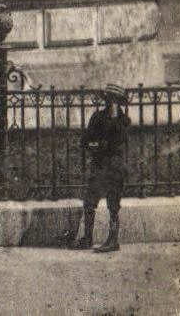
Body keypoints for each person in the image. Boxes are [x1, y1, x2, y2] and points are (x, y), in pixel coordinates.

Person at [72, 87, 131, 252]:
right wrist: (97, 145)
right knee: (89, 201)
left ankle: (113, 240)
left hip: (114, 166)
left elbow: (115, 142)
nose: (110, 103)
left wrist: (100, 143)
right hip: (98, 164)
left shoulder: (124, 121)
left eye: (114, 100)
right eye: (108, 99)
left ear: (119, 102)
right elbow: (85, 140)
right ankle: (87, 238)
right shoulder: (97, 116)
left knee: (113, 204)